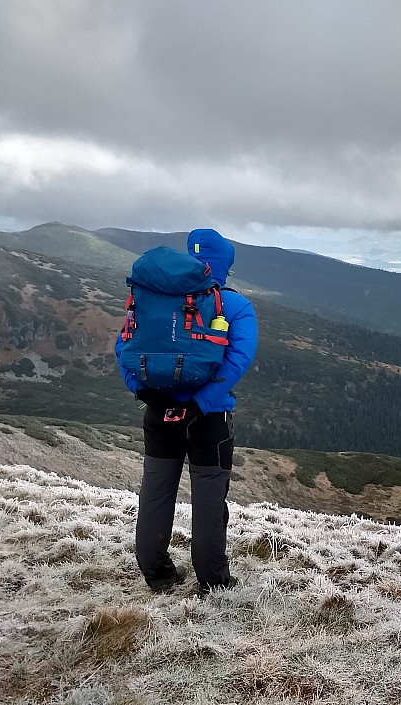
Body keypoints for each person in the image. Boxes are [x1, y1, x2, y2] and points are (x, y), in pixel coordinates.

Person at [115, 228, 257, 594]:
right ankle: (213, 581)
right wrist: (199, 404)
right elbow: (236, 362)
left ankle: (157, 574)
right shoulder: (234, 305)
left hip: (158, 415)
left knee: (156, 492)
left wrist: (147, 396)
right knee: (209, 499)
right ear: (224, 265)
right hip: (208, 420)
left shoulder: (151, 298)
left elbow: (125, 350)